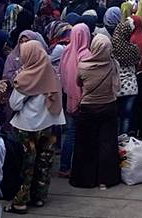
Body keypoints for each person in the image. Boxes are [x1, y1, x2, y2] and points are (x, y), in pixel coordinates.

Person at [6, 41, 65, 214]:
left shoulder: (26, 77)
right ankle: (39, 197)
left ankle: (20, 201)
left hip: (27, 126)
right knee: (44, 162)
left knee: (26, 164)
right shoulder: (51, 73)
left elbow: (14, 104)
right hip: (49, 124)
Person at [70, 34, 121, 189]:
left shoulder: (83, 66)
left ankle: (86, 179)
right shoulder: (112, 65)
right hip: (108, 106)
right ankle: (106, 178)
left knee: (86, 144)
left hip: (88, 108)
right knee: (107, 143)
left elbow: (78, 82)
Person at [58, 24, 91, 177]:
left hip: (68, 98)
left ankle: (64, 166)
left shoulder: (66, 50)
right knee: (82, 135)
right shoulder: (85, 55)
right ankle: (79, 167)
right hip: (83, 100)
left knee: (70, 134)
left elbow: (61, 73)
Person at [111, 20, 142, 136]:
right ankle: (124, 139)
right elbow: (138, 64)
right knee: (126, 116)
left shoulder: (111, 49)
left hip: (116, 86)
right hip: (131, 86)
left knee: (116, 116)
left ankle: (114, 139)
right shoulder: (134, 49)